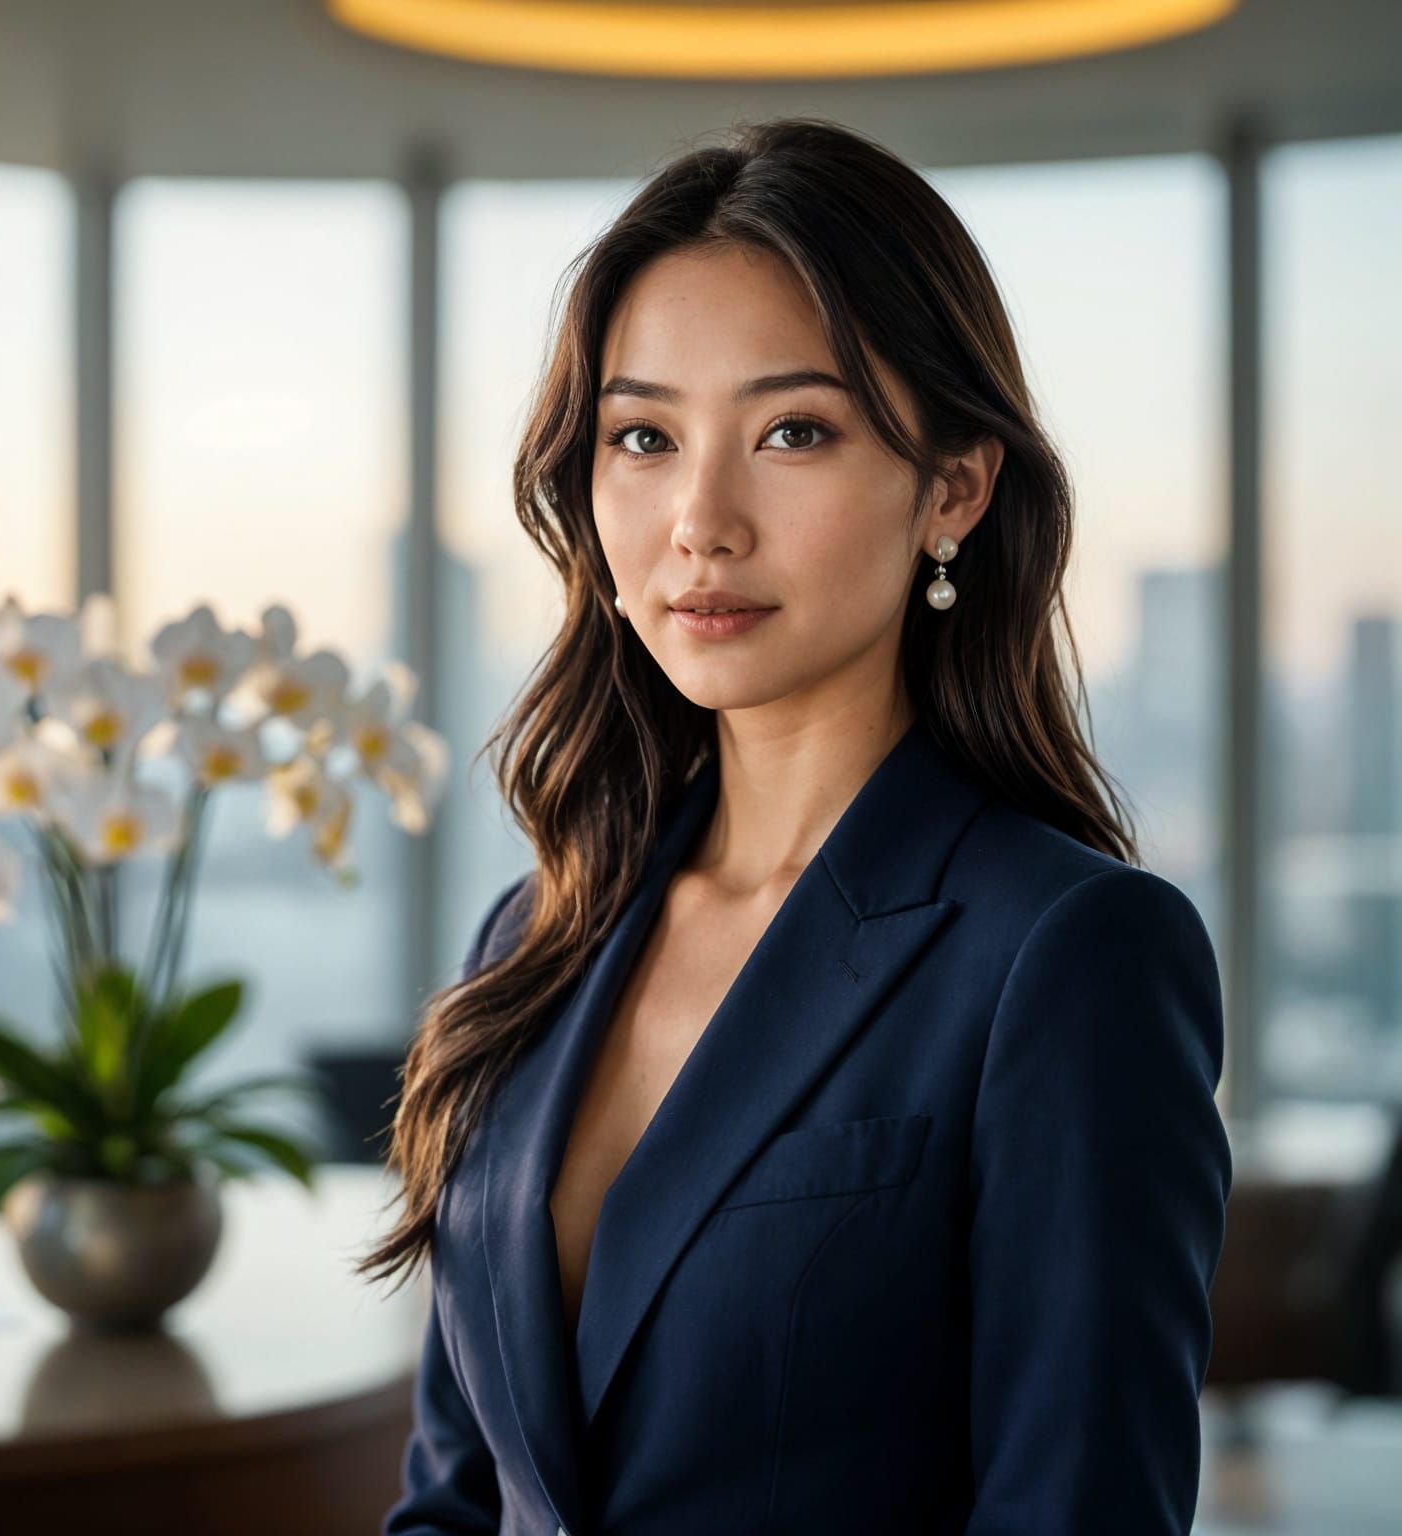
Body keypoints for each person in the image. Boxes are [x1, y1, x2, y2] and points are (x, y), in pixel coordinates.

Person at [360, 115, 1233, 1536]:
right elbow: (455, 1503)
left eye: (793, 432)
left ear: (953, 484)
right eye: (644, 436)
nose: (700, 520)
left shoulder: (1066, 954)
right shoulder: (531, 939)